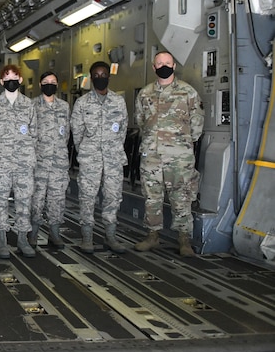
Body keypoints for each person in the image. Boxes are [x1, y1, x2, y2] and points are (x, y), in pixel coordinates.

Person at [134, 50, 204, 257]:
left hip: (179, 156)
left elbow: (197, 123)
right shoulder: (145, 94)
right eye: (159, 63)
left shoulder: (188, 92)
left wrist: (181, 144)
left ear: (174, 66)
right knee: (151, 197)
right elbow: (141, 121)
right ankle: (152, 236)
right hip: (151, 155)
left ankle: (184, 239)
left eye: (167, 62)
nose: (163, 66)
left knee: (181, 196)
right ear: (154, 68)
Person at [70, 61, 127, 254]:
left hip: (113, 159)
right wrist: (86, 151)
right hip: (90, 158)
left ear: (108, 77)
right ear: (91, 77)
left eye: (103, 74)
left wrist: (113, 148)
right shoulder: (82, 103)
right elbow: (76, 132)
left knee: (113, 197)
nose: (100, 78)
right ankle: (87, 237)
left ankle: (110, 236)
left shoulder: (118, 102)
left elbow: (122, 130)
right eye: (96, 75)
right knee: (87, 197)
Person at [0, 64, 37, 259]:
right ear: (1, 82)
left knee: (24, 200)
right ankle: (1, 240)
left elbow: (34, 133)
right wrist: (2, 151)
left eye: (15, 77)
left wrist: (24, 151)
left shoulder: (29, 105)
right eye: (7, 78)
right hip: (1, 162)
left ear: (21, 80)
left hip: (24, 161)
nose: (11, 81)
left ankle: (22, 239)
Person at [30, 71, 70, 249]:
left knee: (57, 199)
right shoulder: (31, 106)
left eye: (53, 82)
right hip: (38, 162)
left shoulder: (64, 107)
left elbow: (66, 134)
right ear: (40, 84)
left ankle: (54, 234)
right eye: (46, 82)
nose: (49, 85)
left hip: (58, 163)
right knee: (36, 199)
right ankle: (33, 233)